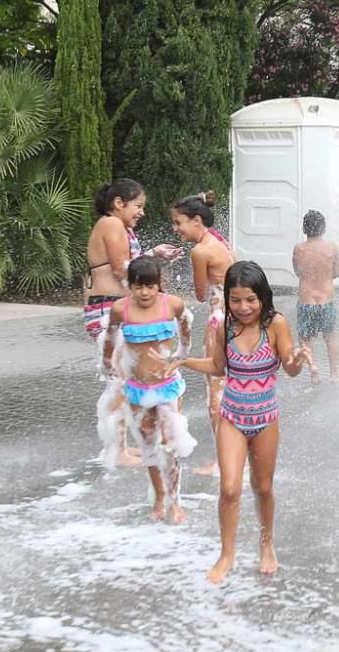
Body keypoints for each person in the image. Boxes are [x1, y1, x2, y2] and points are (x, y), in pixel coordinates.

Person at [169, 261, 311, 584]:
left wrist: (298, 360)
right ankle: (226, 554)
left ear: (262, 297)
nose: (243, 307)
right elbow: (219, 367)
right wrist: (183, 361)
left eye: (250, 299)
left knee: (263, 487)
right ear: (228, 300)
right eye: (236, 300)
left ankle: (266, 543)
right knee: (230, 489)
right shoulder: (224, 327)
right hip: (231, 417)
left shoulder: (276, 325)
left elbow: (288, 367)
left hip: (265, 418)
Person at [84, 178, 182, 467]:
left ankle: (121, 446)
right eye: (138, 206)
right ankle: (116, 452)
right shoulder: (111, 224)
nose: (141, 212)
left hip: (111, 307)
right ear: (119, 203)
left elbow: (130, 265)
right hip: (106, 308)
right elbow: (121, 269)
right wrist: (150, 268)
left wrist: (152, 255)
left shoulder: (119, 225)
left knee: (125, 377)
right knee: (119, 380)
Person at [102, 256, 196, 524]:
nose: (144, 292)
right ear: (130, 286)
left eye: (150, 286)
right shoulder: (121, 310)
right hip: (138, 388)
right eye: (138, 286)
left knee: (171, 442)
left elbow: (186, 327)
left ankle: (175, 501)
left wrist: (182, 354)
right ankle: (158, 497)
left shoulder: (173, 305)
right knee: (149, 445)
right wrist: (108, 363)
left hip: (166, 387)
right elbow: (110, 338)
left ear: (159, 285)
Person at [170, 191, 235, 475]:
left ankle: (224, 463)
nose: (175, 229)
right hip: (234, 316)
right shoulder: (218, 239)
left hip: (218, 318)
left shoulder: (200, 251)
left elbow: (198, 294)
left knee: (215, 393)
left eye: (178, 222)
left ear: (197, 220)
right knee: (230, 387)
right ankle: (232, 458)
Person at [292, 210, 339, 383]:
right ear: (324, 228)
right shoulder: (332, 247)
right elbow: (337, 272)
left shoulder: (299, 249)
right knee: (330, 336)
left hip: (306, 300)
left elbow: (298, 271)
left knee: (305, 337)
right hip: (326, 299)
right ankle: (334, 374)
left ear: (304, 229)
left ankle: (313, 367)